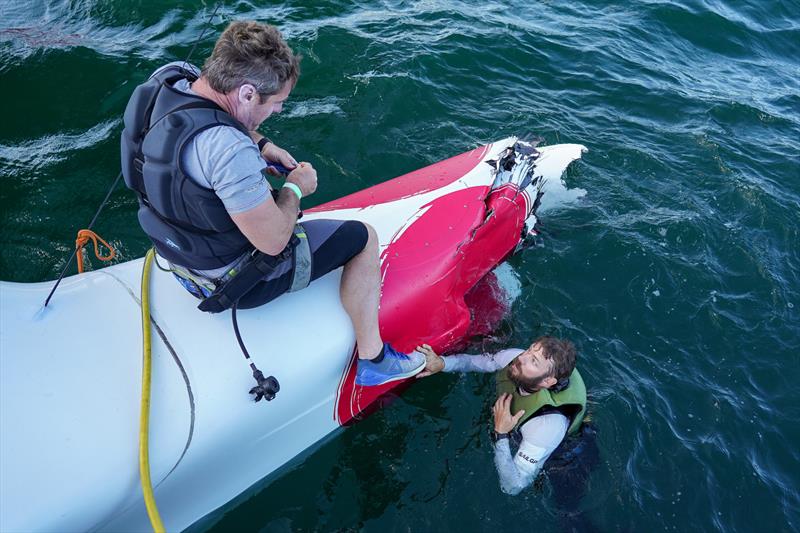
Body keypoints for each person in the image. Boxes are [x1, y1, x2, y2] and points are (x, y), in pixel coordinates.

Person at [120, 20, 424, 386]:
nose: (278, 111)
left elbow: (206, 116)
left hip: (178, 262)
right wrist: (294, 188)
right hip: (230, 283)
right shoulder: (229, 152)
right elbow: (273, 241)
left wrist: (262, 146)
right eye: (277, 102)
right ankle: (375, 359)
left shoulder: (169, 80)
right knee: (362, 238)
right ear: (248, 94)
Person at [416, 336, 586, 495]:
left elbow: (513, 486)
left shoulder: (546, 426)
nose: (522, 358)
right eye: (529, 350)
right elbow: (475, 362)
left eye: (533, 361)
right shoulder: (515, 358)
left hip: (563, 452)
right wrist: (442, 363)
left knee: (567, 508)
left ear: (547, 382)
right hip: (520, 422)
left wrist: (501, 434)